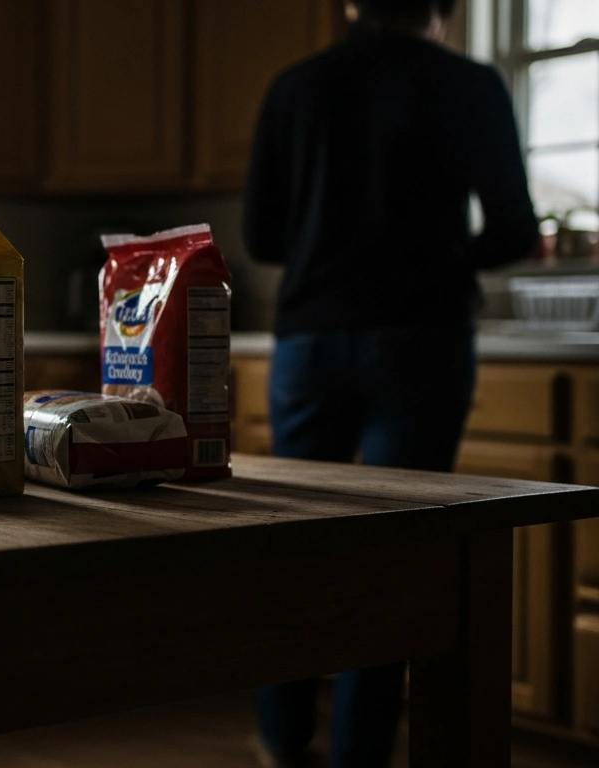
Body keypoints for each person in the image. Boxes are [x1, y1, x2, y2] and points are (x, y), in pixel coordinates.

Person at [242, 0, 539, 766]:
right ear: (443, 7)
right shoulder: (468, 84)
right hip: (419, 342)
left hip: (309, 341)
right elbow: (512, 230)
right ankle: (360, 754)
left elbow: (263, 236)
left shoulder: (295, 86)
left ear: (349, 4)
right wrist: (436, 256)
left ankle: (281, 740)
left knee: (298, 550)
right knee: (393, 556)